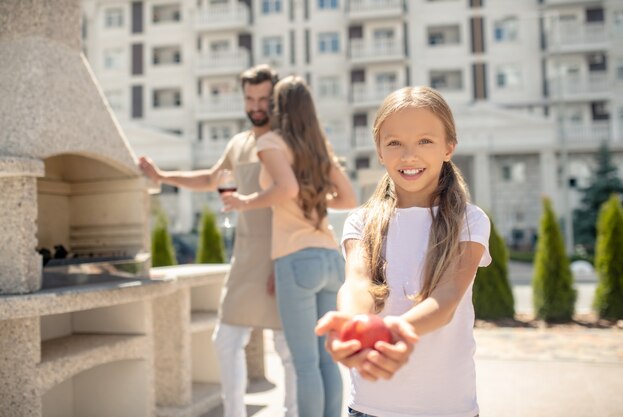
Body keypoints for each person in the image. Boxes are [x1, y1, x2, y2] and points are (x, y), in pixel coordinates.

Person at [315, 86, 492, 417]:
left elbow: (447, 297)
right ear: (380, 151)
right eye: (394, 142)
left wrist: (389, 332)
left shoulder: (470, 220)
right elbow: (357, 284)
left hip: (448, 408)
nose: (409, 155)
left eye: (425, 141)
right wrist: (351, 327)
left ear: (449, 147)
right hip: (369, 407)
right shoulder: (361, 221)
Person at [138, 65, 297, 417]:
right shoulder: (238, 143)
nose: (256, 106)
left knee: (287, 347)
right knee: (226, 340)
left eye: (263, 99)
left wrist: (283, 261)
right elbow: (212, 178)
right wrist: (163, 176)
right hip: (244, 256)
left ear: (275, 100)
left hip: (281, 251)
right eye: (250, 98)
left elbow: (294, 201)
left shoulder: (287, 142)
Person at [221, 75, 357, 417]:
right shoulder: (317, 147)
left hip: (296, 259)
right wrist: (315, 194)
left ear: (278, 107)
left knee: (305, 364)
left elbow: (286, 189)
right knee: (327, 361)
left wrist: (245, 202)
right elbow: (349, 198)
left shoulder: (270, 143)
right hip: (329, 257)